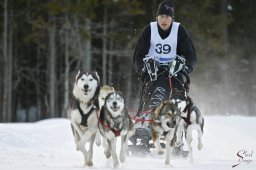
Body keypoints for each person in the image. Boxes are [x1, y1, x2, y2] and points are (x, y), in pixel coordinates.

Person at [133, 0, 197, 123]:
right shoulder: (149, 30)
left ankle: (176, 122)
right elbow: (138, 55)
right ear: (157, 17)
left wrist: (185, 68)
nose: (164, 20)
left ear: (171, 18)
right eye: (161, 16)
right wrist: (143, 68)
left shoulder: (179, 30)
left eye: (167, 16)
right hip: (154, 71)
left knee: (177, 94)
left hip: (174, 72)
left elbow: (191, 55)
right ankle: (147, 117)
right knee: (150, 89)